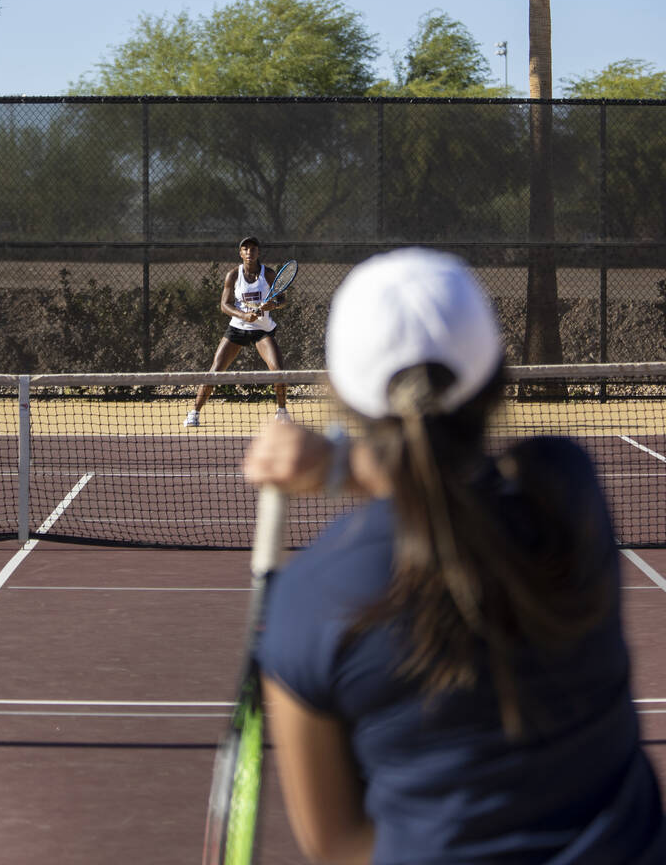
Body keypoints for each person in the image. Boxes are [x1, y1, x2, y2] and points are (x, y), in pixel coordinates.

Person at [242, 248, 666, 865]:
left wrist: (337, 465)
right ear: (494, 376)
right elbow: (450, 474)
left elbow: (338, 848)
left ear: (338, 390)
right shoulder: (568, 490)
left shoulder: (310, 598)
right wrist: (339, 466)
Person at [184, 236, 290, 427]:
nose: (250, 252)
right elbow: (225, 305)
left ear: (258, 252)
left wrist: (273, 305)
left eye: (253, 249)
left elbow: (283, 300)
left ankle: (282, 412)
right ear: (240, 253)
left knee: (278, 371)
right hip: (237, 328)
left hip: (262, 330)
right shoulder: (233, 275)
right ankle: (194, 413)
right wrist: (244, 315)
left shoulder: (269, 274)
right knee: (215, 371)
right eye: (246, 249)